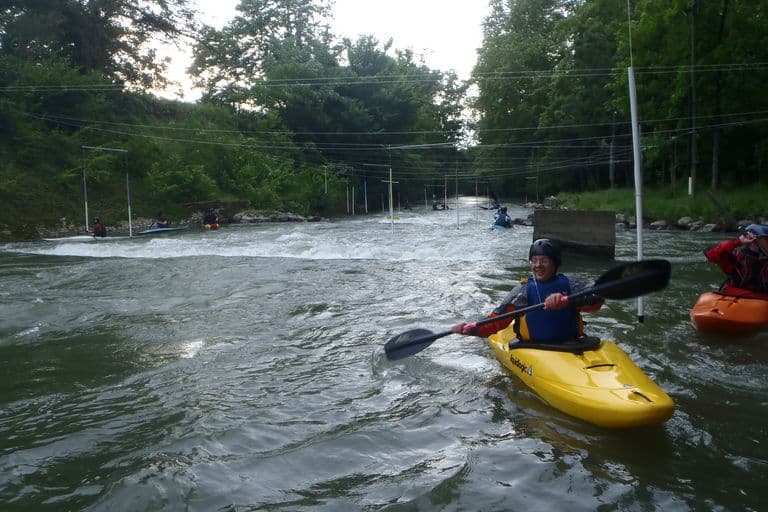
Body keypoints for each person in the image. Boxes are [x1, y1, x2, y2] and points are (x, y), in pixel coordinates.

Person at [451, 239, 603, 343]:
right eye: (534, 261)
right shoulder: (522, 291)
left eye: (544, 261)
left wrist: (567, 301)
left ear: (555, 263)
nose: (538, 265)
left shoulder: (572, 283)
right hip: (534, 348)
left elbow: (597, 300)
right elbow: (495, 322)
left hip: (572, 344)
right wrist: (469, 329)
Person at [704, 223, 768, 295]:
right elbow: (712, 255)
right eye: (767, 241)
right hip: (736, 297)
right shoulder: (737, 257)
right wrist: (738, 242)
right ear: (752, 240)